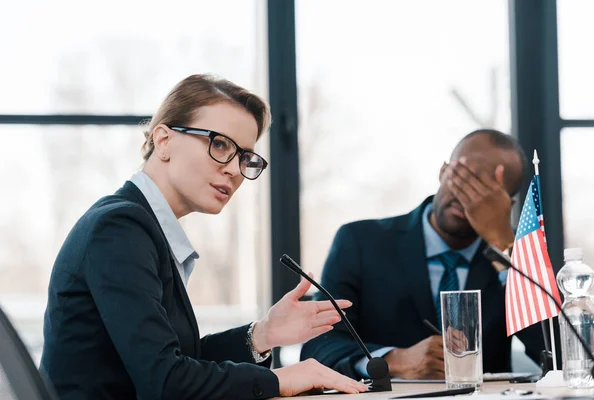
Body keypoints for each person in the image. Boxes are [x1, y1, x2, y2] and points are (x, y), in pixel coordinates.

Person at [40, 74, 368, 399]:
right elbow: (166, 381)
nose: (234, 170)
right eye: (220, 144)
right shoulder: (120, 227)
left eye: (244, 157)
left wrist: (263, 334)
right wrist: (279, 380)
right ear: (164, 140)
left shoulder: (142, 226)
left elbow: (180, 361)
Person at [300, 129, 552, 380]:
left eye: (487, 193)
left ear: (506, 204)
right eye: (463, 179)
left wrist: (504, 246)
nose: (469, 198)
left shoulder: (518, 259)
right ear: (443, 171)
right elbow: (319, 346)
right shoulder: (360, 242)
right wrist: (393, 360)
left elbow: (562, 354)